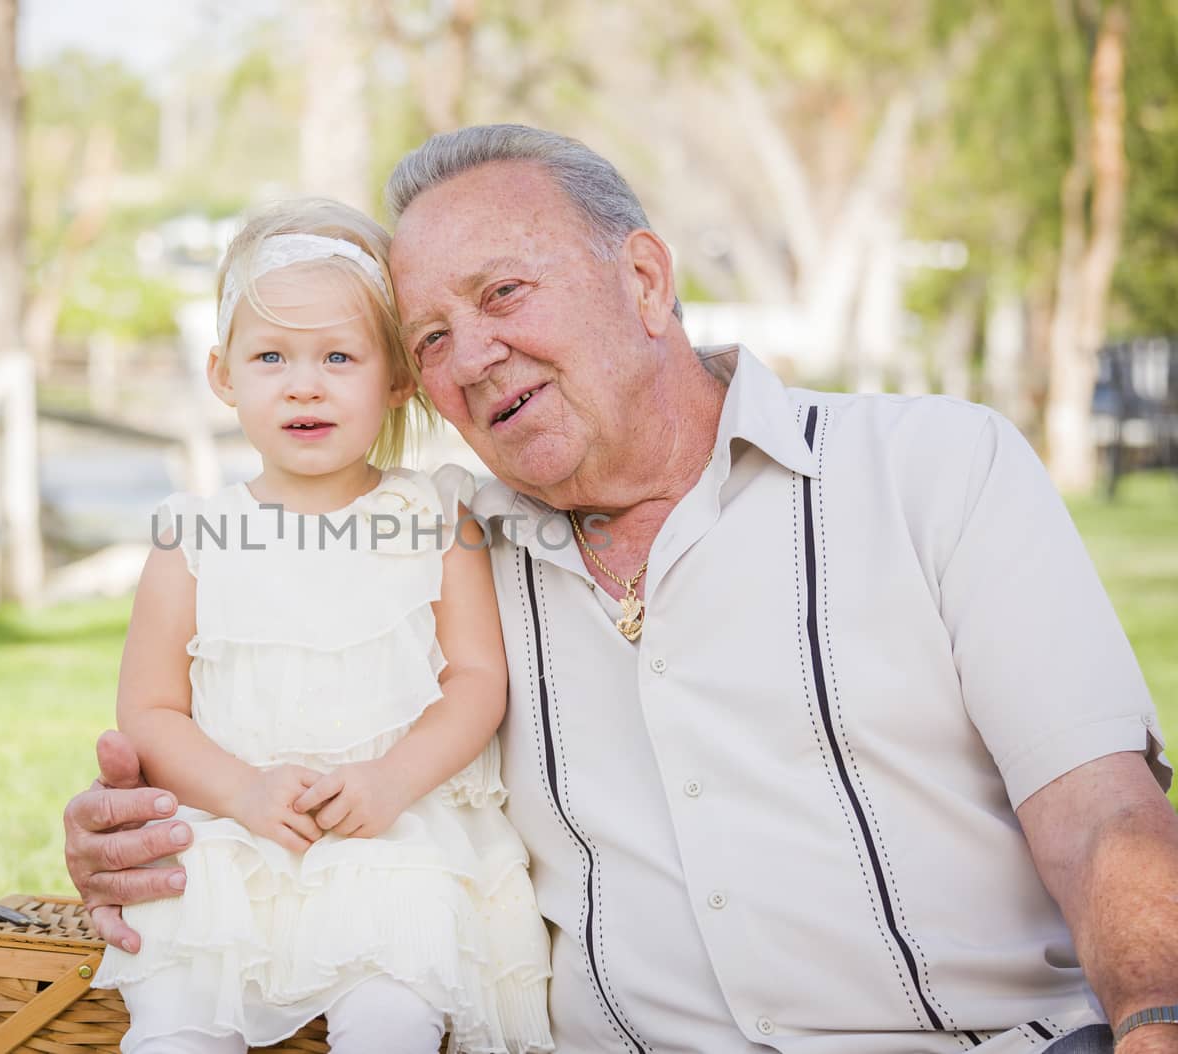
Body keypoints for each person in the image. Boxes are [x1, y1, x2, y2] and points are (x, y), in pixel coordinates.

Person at [65, 126, 1178, 1054]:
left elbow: (1104, 822)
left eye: (504, 292)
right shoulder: (440, 553)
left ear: (645, 280)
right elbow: (259, 705)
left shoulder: (932, 468)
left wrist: (1156, 1020)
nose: (473, 356)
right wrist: (139, 830)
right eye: (433, 337)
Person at [89, 197, 553, 1054]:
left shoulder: (433, 518)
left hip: (393, 830)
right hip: (236, 836)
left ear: (396, 381)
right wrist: (242, 793)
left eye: (340, 356)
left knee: (393, 1013)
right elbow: (150, 711)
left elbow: (476, 681)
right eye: (271, 356)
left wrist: (390, 781)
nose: (304, 383)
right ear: (223, 374)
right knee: (177, 1022)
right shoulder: (190, 538)